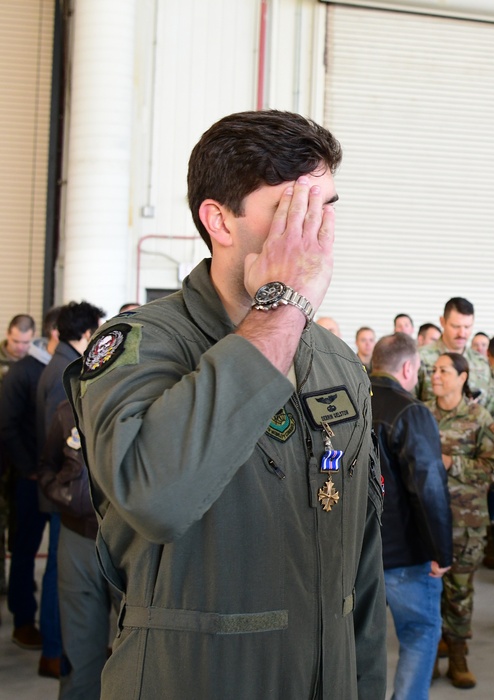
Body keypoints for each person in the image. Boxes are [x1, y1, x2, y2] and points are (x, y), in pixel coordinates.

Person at [66, 110, 386, 698]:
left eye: (329, 208)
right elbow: (156, 496)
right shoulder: (143, 347)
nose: (318, 234)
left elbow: (359, 566)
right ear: (219, 221)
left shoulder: (339, 363)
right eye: (294, 210)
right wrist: (284, 305)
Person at [370, 333, 452, 700]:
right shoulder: (410, 410)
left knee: (359, 644)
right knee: (419, 635)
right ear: (407, 367)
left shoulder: (345, 402)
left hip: (356, 553)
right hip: (404, 554)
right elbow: (428, 486)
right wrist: (442, 550)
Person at [425, 352, 494, 689]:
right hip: (427, 520)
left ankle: (457, 655)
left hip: (466, 520)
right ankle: (429, 655)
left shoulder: (479, 418)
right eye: (434, 370)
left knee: (459, 591)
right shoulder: (421, 413)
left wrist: (450, 463)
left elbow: (492, 469)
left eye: (443, 370)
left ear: (462, 377)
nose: (435, 375)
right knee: (429, 590)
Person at [38, 399, 117, 699]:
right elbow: (47, 463)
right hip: (77, 538)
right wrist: (62, 493)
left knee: (142, 647)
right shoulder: (68, 408)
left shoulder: (152, 394)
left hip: (133, 543)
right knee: (79, 650)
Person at [1, 308, 58, 660]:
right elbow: (5, 426)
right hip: (25, 477)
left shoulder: (42, 369)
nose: (19, 347)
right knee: (24, 548)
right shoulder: (23, 373)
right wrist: (28, 469)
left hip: (43, 476)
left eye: (24, 341)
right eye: (14, 341)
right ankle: (23, 619)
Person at [416, 298, 494, 418]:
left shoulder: (481, 363)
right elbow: (409, 407)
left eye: (467, 327)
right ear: (442, 322)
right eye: (455, 326)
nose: (462, 333)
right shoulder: (421, 358)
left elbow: (492, 411)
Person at [0, 314, 35, 378]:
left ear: (33, 337)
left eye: (25, 342)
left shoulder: (37, 361)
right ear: (7, 334)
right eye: (15, 341)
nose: (20, 347)